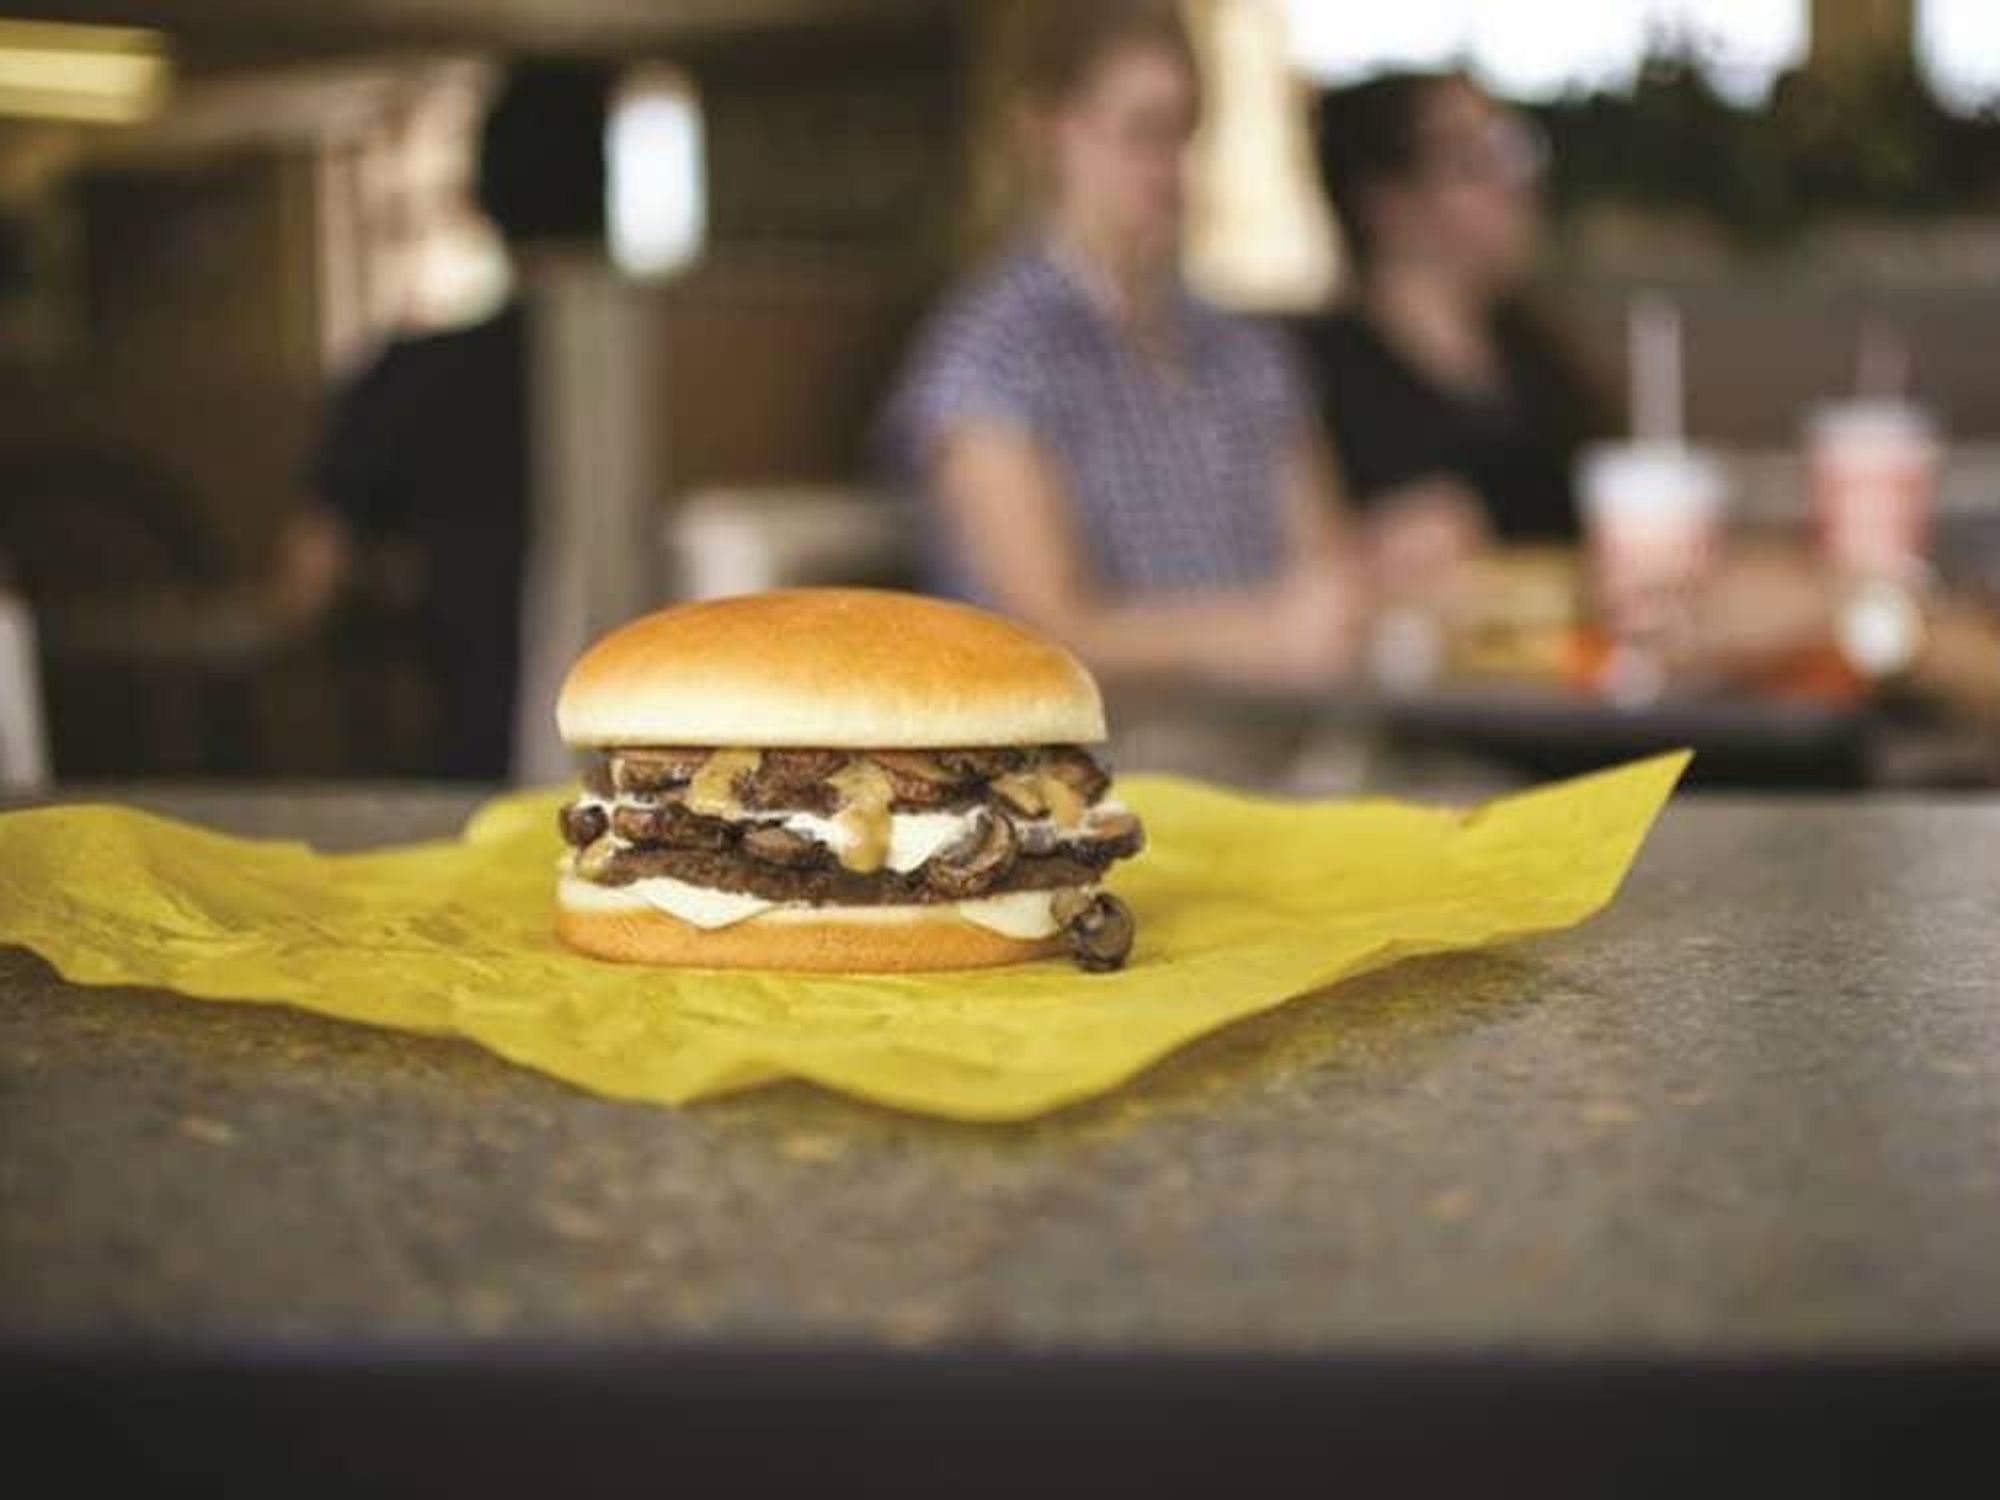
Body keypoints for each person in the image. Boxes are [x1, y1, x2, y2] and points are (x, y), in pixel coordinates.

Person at [885, 0, 1361, 693]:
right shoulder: (992, 353)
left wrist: (1382, 568)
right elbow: (1043, 628)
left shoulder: (1244, 347)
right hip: (1101, 755)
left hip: (1292, 734)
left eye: (1185, 134)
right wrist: (1257, 634)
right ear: (1047, 131)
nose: (1169, 168)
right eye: (1142, 132)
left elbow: (1322, 564)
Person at [274, 62, 611, 780]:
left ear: (479, 200)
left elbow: (310, 583)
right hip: (663, 772)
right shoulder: (683, 380)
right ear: (607, 195)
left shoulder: (415, 371)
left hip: (466, 774)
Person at [1305, 71, 1614, 599]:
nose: (1515, 182)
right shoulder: (1313, 375)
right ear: (1385, 199)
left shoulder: (1543, 357)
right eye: (1474, 160)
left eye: (1515, 149)